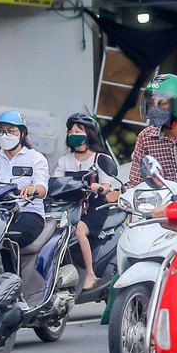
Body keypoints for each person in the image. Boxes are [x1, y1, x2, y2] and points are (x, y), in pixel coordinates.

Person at [54, 113, 122, 290]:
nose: (73, 134)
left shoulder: (99, 158)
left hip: (94, 207)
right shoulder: (64, 160)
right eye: (71, 131)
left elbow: (108, 185)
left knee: (79, 231)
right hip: (69, 207)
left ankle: (90, 274)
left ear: (89, 134)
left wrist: (99, 187)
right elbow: (55, 181)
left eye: (78, 130)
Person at [0, 111, 48, 251]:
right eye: (1, 131)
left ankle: (11, 273)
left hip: (27, 213)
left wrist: (33, 189)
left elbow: (42, 188)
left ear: (22, 134)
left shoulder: (36, 158)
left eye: (11, 131)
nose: (5, 135)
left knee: (6, 239)